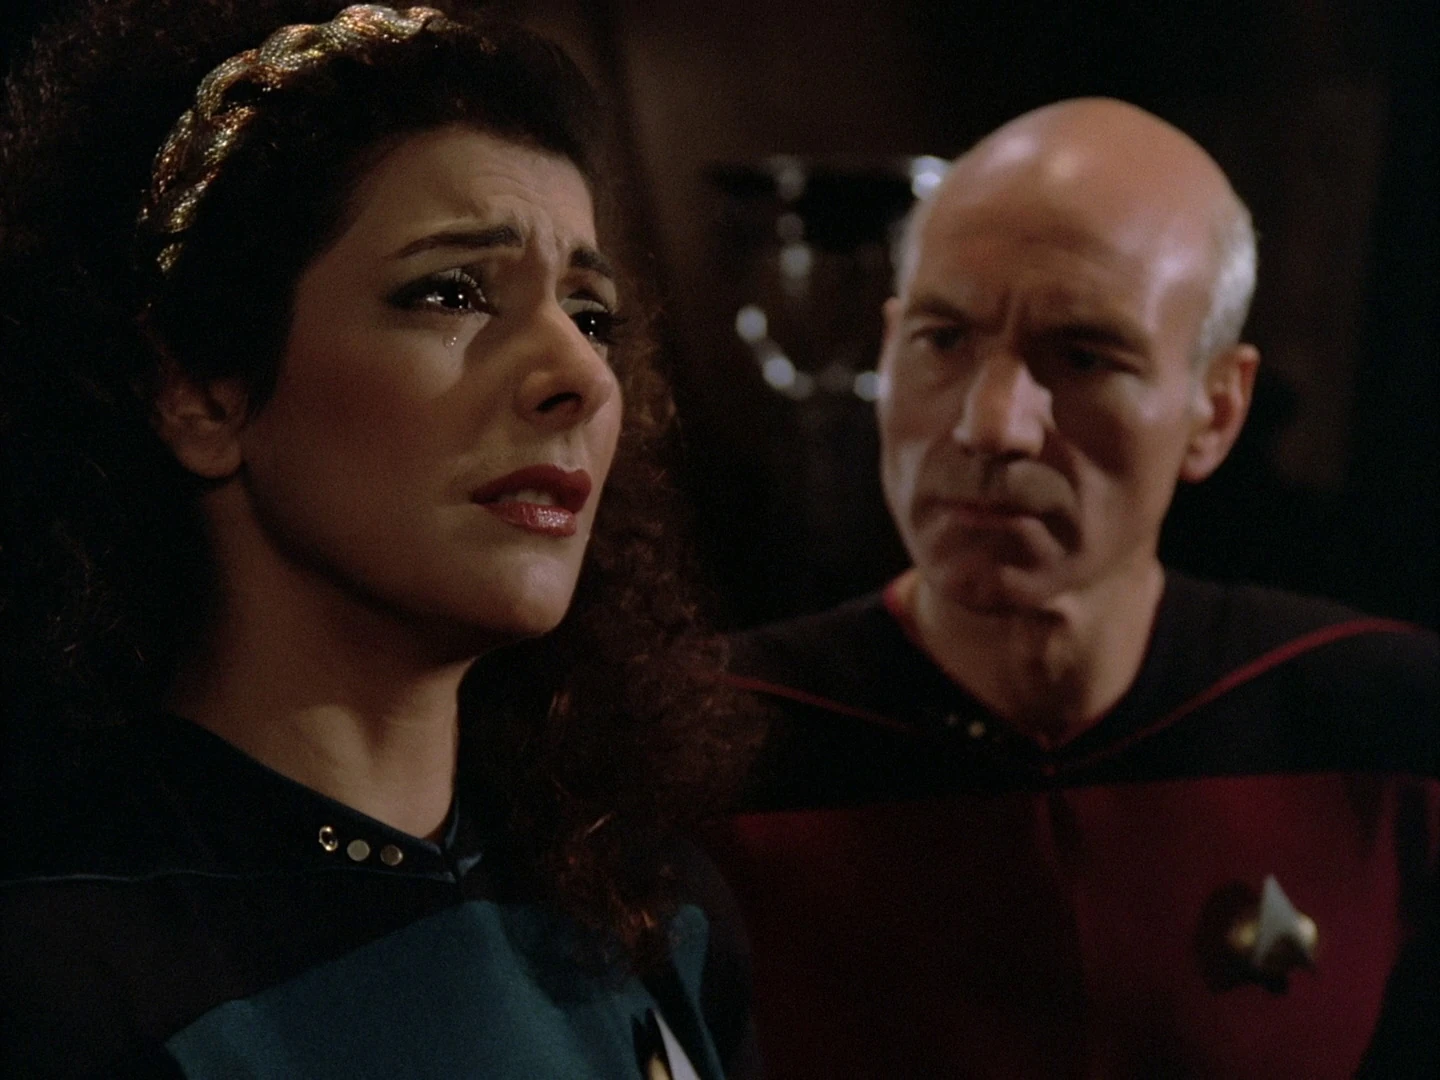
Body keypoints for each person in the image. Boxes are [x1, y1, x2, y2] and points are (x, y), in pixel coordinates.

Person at [0, 3, 761, 1077]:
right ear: (199, 392)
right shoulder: (57, 976)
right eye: (452, 293)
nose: (581, 375)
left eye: (591, 315)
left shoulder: (652, 911)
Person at [710, 98, 1439, 1078]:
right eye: (943, 339)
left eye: (1085, 356)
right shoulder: (709, 749)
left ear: (1216, 411)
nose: (991, 425)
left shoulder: (1381, 727)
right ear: (887, 346)